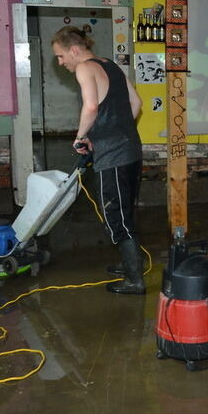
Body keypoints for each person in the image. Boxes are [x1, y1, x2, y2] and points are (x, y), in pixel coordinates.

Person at [51, 26, 145, 294]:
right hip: (131, 150)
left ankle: (134, 280)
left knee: (116, 214)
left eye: (60, 56)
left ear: (74, 49)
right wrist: (116, 129)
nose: (60, 62)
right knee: (126, 210)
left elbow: (91, 106)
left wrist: (81, 137)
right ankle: (129, 264)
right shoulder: (112, 66)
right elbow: (136, 103)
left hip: (113, 155)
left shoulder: (85, 68)